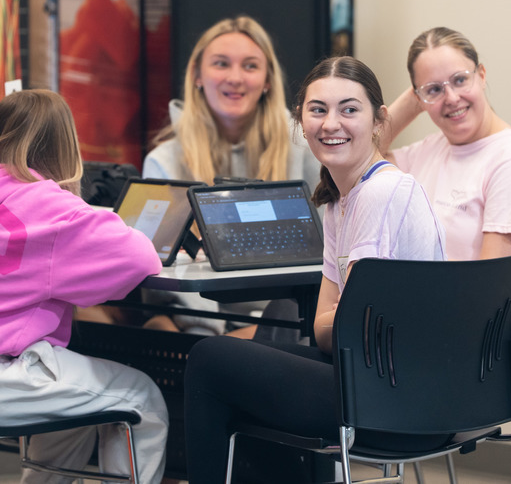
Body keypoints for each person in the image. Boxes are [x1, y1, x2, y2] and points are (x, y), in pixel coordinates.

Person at [182, 57, 446, 484]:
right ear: (300, 122)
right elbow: (329, 326)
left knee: (211, 358)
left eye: (349, 109)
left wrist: (333, 320)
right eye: (318, 110)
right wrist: (333, 320)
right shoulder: (338, 202)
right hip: (376, 379)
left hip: (399, 399)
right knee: (227, 368)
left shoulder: (380, 192)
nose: (331, 123)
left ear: (379, 121)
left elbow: (344, 329)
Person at [0, 89, 169, 484]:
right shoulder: (51, 207)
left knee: (76, 411)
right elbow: (141, 258)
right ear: (66, 145)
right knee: (142, 399)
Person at [142, 15, 320, 336]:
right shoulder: (163, 162)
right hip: (199, 328)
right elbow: (161, 276)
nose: (235, 78)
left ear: (267, 80)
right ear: (197, 75)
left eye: (250, 66)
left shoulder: (304, 145)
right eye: (221, 64)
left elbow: (327, 249)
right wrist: (215, 336)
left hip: (285, 322)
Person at [383, 26, 511, 334]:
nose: (451, 98)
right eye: (434, 90)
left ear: (481, 74)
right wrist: (416, 100)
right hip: (419, 329)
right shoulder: (429, 150)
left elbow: (487, 294)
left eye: (460, 80)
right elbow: (357, 157)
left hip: (476, 348)